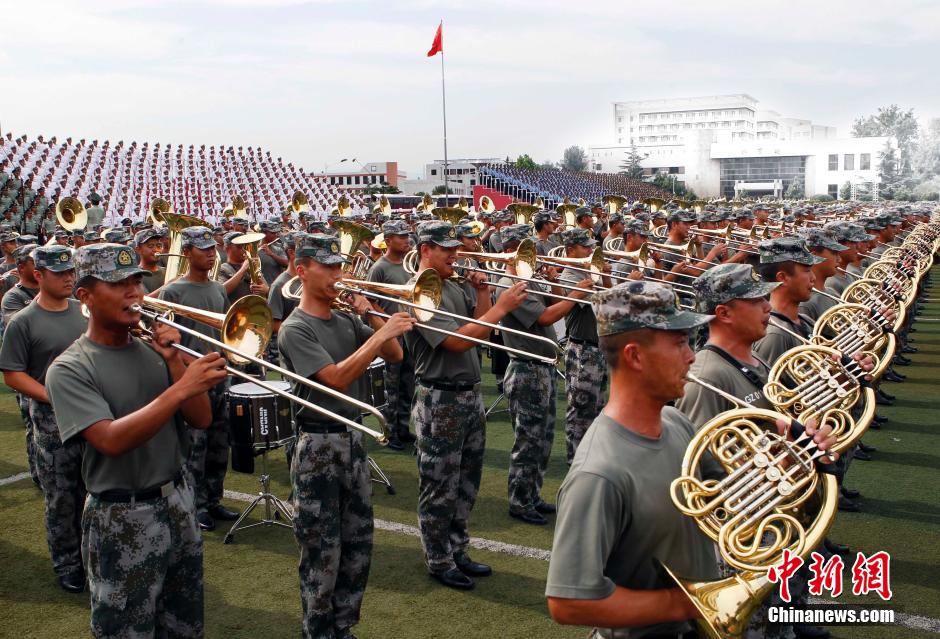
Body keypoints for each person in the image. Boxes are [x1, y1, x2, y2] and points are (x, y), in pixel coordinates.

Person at [545, 280, 838, 638]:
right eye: (679, 342)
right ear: (635, 356)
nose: (692, 356)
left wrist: (798, 456)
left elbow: (727, 495)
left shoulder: (674, 421)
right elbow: (568, 602)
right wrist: (694, 603)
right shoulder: (600, 472)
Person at [45, 242, 227, 638]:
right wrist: (180, 390)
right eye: (119, 284)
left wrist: (176, 362)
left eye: (137, 283)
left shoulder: (154, 349)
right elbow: (109, 440)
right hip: (119, 515)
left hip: (178, 501)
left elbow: (201, 419)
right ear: (85, 296)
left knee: (185, 626)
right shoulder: (70, 367)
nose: (135, 294)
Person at [278, 233, 414, 639]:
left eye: (340, 266)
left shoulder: (345, 319)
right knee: (322, 552)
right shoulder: (295, 328)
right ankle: (318, 631)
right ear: (302, 271)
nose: (339, 274)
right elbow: (334, 380)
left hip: (353, 440)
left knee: (358, 545)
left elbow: (396, 355)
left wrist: (371, 316)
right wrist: (377, 333)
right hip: (318, 444)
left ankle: (344, 626)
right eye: (329, 267)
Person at [405, 221, 527, 590]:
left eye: (456, 248)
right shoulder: (421, 292)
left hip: (468, 393)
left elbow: (480, 330)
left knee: (466, 481)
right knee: (439, 484)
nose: (455, 254)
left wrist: (487, 294)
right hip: (439, 396)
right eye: (446, 249)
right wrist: (502, 307)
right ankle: (438, 557)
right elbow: (455, 343)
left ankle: (457, 548)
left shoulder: (454, 284)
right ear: (425, 249)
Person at [0, 246, 87, 592]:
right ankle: (67, 562)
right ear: (39, 275)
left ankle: (91, 553)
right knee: (62, 497)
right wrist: (52, 395)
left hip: (90, 415)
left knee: (94, 489)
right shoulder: (23, 321)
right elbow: (13, 374)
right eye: (60, 273)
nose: (68, 278)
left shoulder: (85, 311)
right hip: (52, 422)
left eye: (71, 272)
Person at [496, 224, 592, 525]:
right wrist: (577, 293)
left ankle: (533, 494)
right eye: (524, 250)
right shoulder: (511, 285)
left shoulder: (528, 279)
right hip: (526, 368)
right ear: (509, 251)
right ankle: (520, 500)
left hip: (542, 366)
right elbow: (547, 316)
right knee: (528, 440)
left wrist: (555, 285)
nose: (533, 254)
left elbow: (553, 304)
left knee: (544, 438)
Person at [159, 227, 241, 531]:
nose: (211, 253)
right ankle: (194, 505)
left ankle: (213, 499)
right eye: (203, 248)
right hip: (192, 380)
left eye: (213, 248)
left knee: (220, 445)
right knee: (195, 447)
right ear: (186, 253)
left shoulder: (218, 289)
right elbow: (165, 342)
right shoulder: (173, 292)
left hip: (218, 374)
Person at [676, 263, 778, 427]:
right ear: (724, 313)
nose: (768, 306)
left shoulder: (753, 356)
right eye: (755, 301)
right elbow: (702, 450)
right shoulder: (707, 379)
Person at [366, 218, 417, 450]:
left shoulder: (409, 264)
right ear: (388, 241)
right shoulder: (379, 268)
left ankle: (403, 428)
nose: (407, 240)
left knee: (408, 383)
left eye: (407, 236)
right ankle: (390, 432)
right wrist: (388, 321)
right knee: (392, 387)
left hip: (409, 331)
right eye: (401, 237)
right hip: (392, 334)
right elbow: (369, 301)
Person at [557, 229, 607, 463]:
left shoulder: (591, 273)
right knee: (580, 406)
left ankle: (593, 453)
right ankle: (576, 458)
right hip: (582, 350)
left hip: (597, 348)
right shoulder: (569, 275)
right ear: (571, 251)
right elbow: (598, 303)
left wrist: (604, 276)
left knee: (597, 406)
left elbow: (610, 299)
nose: (591, 251)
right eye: (585, 248)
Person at [753, 237, 824, 365]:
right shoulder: (774, 335)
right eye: (807, 270)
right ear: (783, 278)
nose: (813, 277)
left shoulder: (805, 320)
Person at [133, 227, 167, 293]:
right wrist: (169, 285)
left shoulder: (166, 271)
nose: (156, 250)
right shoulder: (134, 275)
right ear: (138, 250)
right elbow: (145, 301)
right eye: (150, 246)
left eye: (159, 246)